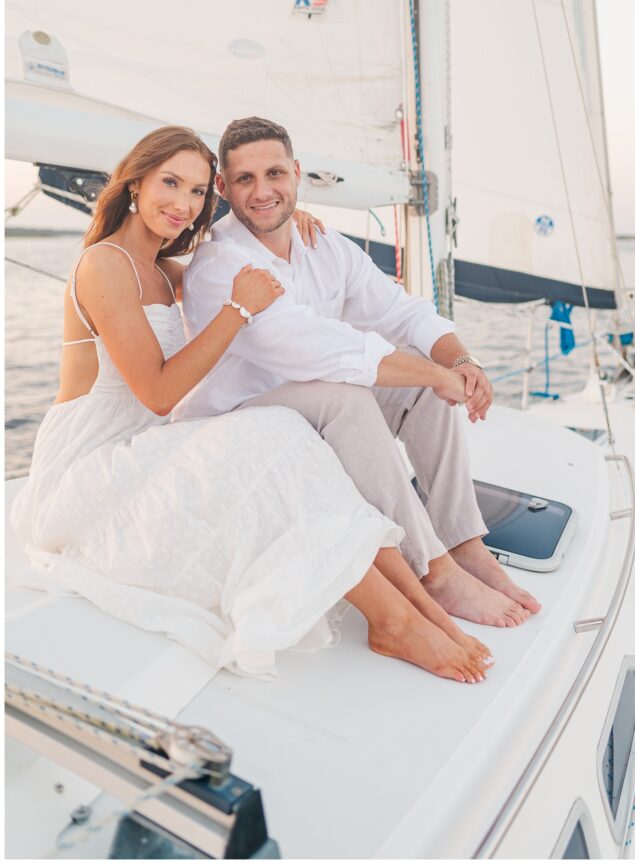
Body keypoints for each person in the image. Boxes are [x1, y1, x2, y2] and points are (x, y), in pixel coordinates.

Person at [10, 126, 493, 684]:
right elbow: (160, 392)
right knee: (281, 439)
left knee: (290, 440)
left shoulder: (169, 272)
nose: (184, 204)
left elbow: (234, 271)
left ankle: (423, 601)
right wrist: (237, 310)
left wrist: (289, 224)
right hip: (91, 463)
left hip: (148, 443)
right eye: (171, 183)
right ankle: (395, 621)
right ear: (134, 181)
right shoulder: (104, 264)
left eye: (196, 193)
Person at [178, 117, 542, 628]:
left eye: (275, 174)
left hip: (308, 404)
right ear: (223, 187)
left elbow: (400, 310)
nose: (263, 192)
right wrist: (432, 372)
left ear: (297, 174)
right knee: (354, 392)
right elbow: (316, 348)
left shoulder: (324, 244)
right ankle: (431, 568)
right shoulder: (221, 262)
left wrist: (459, 361)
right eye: (245, 179)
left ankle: (462, 542)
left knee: (422, 385)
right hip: (238, 418)